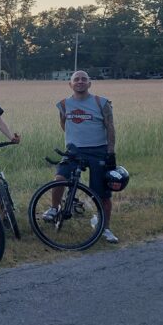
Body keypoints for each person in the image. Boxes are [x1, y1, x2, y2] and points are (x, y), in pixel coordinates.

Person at [47, 70, 119, 243]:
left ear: (89, 83)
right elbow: (64, 124)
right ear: (70, 84)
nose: (80, 82)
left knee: (102, 194)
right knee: (59, 178)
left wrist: (111, 152)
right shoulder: (63, 104)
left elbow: (110, 127)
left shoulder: (101, 103)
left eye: (83, 79)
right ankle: (54, 208)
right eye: (76, 79)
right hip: (74, 150)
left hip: (98, 150)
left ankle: (104, 227)